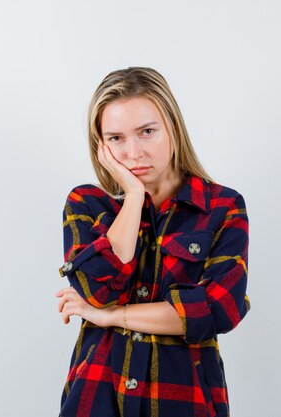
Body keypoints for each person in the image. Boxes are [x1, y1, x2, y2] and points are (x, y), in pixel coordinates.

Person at [55, 67, 250, 417]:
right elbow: (97, 289)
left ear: (172, 127)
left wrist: (112, 316)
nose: (133, 153)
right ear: (100, 145)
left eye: (147, 132)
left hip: (185, 402)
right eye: (116, 138)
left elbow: (218, 309)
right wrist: (132, 195)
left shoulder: (222, 207)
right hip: (96, 397)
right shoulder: (87, 204)